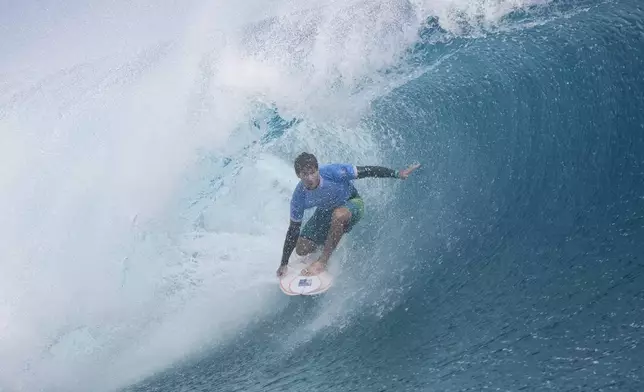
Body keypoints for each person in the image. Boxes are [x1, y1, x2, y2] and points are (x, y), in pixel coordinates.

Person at [276, 152, 420, 277]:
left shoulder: (333, 172)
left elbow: (367, 171)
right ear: (298, 175)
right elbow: (293, 230)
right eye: (304, 174)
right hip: (325, 211)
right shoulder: (299, 197)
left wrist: (397, 174)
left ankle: (323, 261)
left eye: (312, 172)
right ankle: (330, 240)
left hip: (351, 202)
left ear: (317, 169)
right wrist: (284, 263)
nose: (310, 178)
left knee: (338, 215)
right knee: (301, 249)